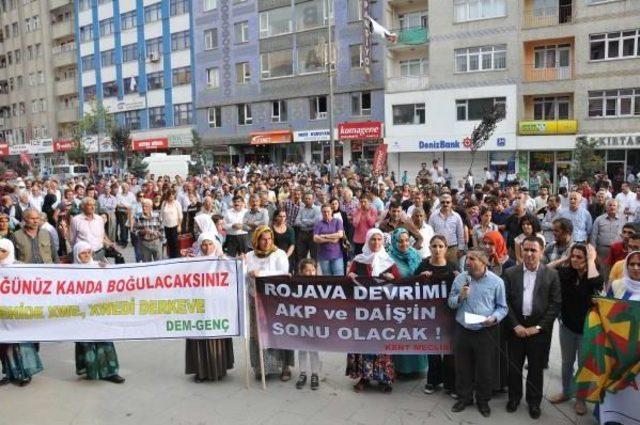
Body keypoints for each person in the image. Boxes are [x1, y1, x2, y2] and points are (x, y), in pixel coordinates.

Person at [502, 236, 561, 419]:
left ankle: (534, 402)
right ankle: (514, 398)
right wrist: (516, 325)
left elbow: (555, 304)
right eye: (526, 250)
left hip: (538, 331)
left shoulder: (552, 275)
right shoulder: (510, 273)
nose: (529, 254)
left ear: (541, 252)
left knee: (535, 368)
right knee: (514, 366)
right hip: (516, 329)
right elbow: (505, 302)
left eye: (533, 250)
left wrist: (538, 327)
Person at [448, 249, 508, 418]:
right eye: (467, 258)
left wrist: (494, 318)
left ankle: (483, 401)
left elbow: (502, 307)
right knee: (462, 366)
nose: (468, 262)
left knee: (484, 368)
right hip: (463, 329)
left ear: (484, 262)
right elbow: (450, 302)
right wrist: (460, 297)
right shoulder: (461, 279)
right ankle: (464, 398)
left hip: (485, 330)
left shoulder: (496, 282)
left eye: (472, 259)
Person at [548, 244, 603, 415]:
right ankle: (566, 392)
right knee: (566, 363)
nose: (575, 259)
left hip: (587, 330)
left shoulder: (593, 276)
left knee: (583, 364)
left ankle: (580, 399)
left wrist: (591, 260)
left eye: (579, 257)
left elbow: (596, 282)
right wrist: (566, 258)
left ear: (588, 259)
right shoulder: (567, 274)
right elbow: (546, 268)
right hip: (567, 327)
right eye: (574, 256)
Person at [346, 228, 400, 393]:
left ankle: (383, 378)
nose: (376, 243)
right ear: (367, 241)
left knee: (382, 343)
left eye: (379, 240)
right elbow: (348, 281)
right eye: (372, 240)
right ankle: (364, 377)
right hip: (362, 311)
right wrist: (350, 277)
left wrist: (394, 280)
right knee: (363, 343)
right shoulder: (359, 260)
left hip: (382, 311)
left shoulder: (389, 262)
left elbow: (401, 286)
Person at [245, 226, 294, 380]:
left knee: (279, 331)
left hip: (276, 301)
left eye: (269, 239)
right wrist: (240, 266)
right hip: (256, 300)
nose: (266, 242)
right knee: (259, 334)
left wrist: (262, 274)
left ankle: (285, 366)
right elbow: (242, 275)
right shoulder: (249, 256)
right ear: (256, 240)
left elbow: (283, 274)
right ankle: (262, 367)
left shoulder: (279, 254)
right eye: (263, 239)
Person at [72, 241, 125, 383]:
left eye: (89, 252)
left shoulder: (99, 266)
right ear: (77, 255)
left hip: (100, 311)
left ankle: (110, 371)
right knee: (87, 340)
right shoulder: (71, 272)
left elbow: (114, 280)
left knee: (104, 338)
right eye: (82, 253)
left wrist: (107, 269)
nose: (86, 255)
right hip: (83, 313)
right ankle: (91, 369)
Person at [185, 232, 234, 382]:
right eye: (204, 244)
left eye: (210, 244)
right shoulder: (193, 261)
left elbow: (235, 272)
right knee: (200, 334)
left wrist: (231, 262)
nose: (207, 248)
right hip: (198, 305)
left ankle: (219, 368)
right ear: (200, 245)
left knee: (216, 332)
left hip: (217, 306)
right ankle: (201, 371)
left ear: (215, 244)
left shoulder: (222, 259)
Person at [416, 235, 457, 397]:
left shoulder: (452, 266)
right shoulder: (423, 265)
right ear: (430, 248)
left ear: (446, 249)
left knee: (449, 351)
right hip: (429, 316)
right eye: (434, 246)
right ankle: (432, 381)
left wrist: (458, 277)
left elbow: (461, 287)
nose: (437, 249)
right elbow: (410, 287)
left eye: (440, 246)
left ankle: (450, 384)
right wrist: (420, 278)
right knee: (432, 349)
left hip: (448, 315)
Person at [0, 238, 43, 386]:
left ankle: (26, 372)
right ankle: (9, 373)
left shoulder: (20, 267)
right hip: (3, 315)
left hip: (19, 312)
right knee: (5, 345)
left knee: (21, 342)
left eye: (3, 251)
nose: (0, 254)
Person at [387, 228, 426, 376]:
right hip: (397, 303)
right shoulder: (388, 258)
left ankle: (417, 368)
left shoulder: (415, 255)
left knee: (415, 333)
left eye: (406, 240)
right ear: (394, 242)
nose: (404, 244)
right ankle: (401, 368)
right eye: (400, 241)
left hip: (415, 302)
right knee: (400, 334)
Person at [295, 259, 322, 390]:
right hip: (300, 321)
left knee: (314, 349)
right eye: (307, 270)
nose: (311, 273)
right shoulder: (296, 285)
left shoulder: (321, 285)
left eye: (313, 270)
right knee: (301, 348)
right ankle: (303, 373)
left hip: (315, 322)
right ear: (301, 272)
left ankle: (315, 373)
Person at [590, 199, 623, 279]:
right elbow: (593, 236)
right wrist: (593, 251)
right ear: (606, 207)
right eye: (610, 205)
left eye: (614, 205)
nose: (612, 207)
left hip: (617, 250)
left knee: (616, 271)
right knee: (602, 272)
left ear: (617, 207)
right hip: (602, 250)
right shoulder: (599, 219)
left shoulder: (623, 220)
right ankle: (602, 290)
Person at [428, 194, 465, 267]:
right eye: (443, 202)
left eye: (448, 202)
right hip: (438, 248)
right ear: (440, 203)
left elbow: (460, 233)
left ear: (451, 203)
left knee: (453, 270)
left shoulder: (456, 216)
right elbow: (430, 232)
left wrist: (461, 248)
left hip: (452, 248)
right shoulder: (433, 216)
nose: (445, 204)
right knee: (438, 268)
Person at [313, 203, 344, 276]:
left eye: (328, 211)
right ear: (321, 212)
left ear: (332, 211)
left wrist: (324, 236)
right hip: (323, 255)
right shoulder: (318, 224)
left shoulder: (337, 221)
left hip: (337, 254)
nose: (326, 214)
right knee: (327, 277)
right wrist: (332, 239)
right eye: (324, 212)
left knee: (339, 276)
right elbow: (315, 238)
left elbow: (340, 234)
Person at [294, 192, 320, 264]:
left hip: (313, 233)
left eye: (309, 199)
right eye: (306, 198)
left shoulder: (317, 209)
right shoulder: (301, 209)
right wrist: (308, 222)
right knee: (301, 256)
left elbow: (315, 222)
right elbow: (297, 222)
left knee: (314, 256)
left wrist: (303, 221)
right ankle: (302, 274)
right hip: (302, 234)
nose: (307, 200)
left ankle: (313, 273)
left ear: (313, 199)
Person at [160, 190, 182, 259]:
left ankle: (176, 256)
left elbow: (180, 215)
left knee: (175, 242)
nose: (171, 197)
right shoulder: (164, 203)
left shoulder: (177, 203)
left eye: (172, 196)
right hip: (166, 225)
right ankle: (171, 256)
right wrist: (161, 224)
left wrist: (179, 225)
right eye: (170, 196)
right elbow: (161, 214)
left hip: (174, 225)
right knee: (169, 242)